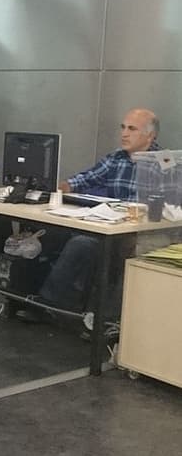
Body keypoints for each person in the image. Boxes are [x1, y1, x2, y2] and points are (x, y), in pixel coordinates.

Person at [17, 108, 160, 321]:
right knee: (68, 238)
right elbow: (82, 180)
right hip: (110, 227)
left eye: (132, 129)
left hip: (141, 235)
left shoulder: (164, 165)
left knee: (100, 247)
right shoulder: (116, 158)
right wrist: (51, 186)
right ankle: (47, 304)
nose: (124, 133)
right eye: (123, 127)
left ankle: (98, 319)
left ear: (150, 136)